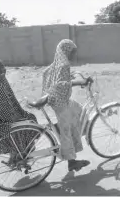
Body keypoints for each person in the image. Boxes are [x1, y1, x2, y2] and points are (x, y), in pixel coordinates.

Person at [40, 39, 91, 172]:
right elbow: (60, 84)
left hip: (59, 101)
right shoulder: (63, 66)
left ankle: (76, 135)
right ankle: (71, 162)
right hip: (61, 103)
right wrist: (77, 82)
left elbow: (49, 74)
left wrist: (74, 76)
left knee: (78, 109)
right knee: (66, 131)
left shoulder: (58, 63)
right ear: (66, 52)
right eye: (73, 52)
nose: (75, 55)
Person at [0, 57, 38, 164]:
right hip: (6, 118)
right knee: (29, 121)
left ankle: (17, 155)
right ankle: (22, 154)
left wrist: (20, 112)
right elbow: (1, 106)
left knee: (28, 118)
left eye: (3, 67)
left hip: (6, 116)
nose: (3, 70)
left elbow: (11, 99)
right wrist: (18, 116)